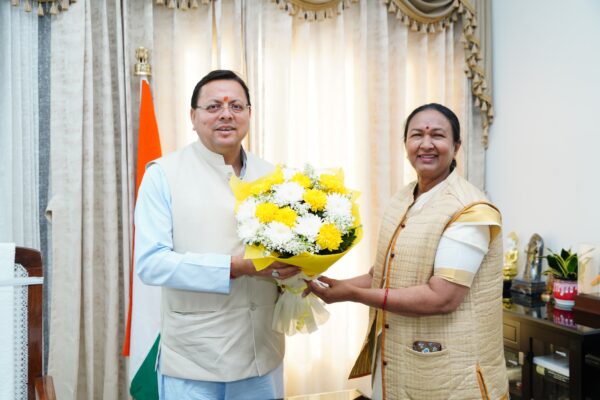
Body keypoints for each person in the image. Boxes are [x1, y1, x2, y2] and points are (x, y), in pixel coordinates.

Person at [307, 103, 509, 399]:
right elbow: (381, 275)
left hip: (451, 373)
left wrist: (352, 295)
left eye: (437, 135)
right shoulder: (403, 198)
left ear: (456, 146)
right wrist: (328, 284)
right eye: (417, 135)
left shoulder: (470, 210)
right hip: (394, 360)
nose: (426, 144)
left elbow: (442, 297)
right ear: (406, 145)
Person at [134, 70, 299, 400]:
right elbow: (152, 264)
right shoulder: (163, 175)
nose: (226, 114)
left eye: (236, 106)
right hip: (193, 360)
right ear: (193, 117)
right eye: (213, 107)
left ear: (249, 114)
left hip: (262, 354)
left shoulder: (276, 176)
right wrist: (235, 267)